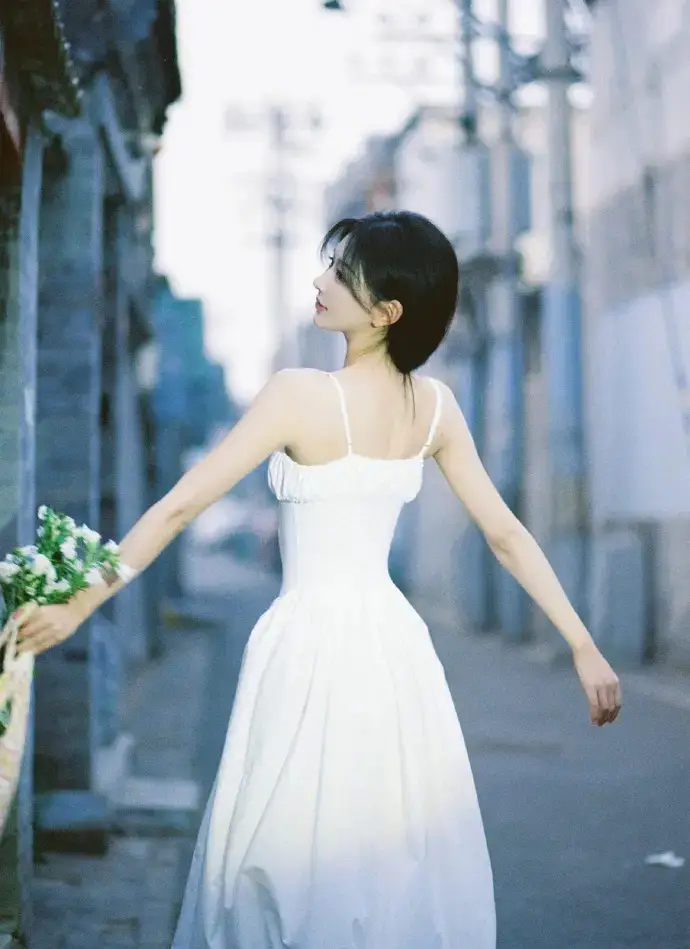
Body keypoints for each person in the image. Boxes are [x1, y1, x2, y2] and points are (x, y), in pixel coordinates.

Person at [15, 210, 622, 949]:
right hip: (394, 649)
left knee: (281, 848)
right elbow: (507, 535)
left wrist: (81, 602)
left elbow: (179, 506)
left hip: (305, 642)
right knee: (389, 855)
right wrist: (582, 643)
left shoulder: (298, 394)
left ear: (386, 311)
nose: (320, 280)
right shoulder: (433, 408)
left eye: (342, 273)